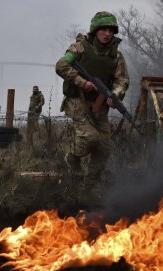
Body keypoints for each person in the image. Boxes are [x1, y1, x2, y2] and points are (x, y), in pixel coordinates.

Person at [55, 11, 129, 197]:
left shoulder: (116, 56)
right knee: (90, 137)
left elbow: (122, 81)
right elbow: (62, 65)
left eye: (111, 30)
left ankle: (88, 189)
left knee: (105, 147)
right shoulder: (80, 47)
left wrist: (115, 95)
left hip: (100, 105)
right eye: (103, 29)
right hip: (77, 101)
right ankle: (72, 157)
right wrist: (82, 82)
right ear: (95, 30)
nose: (107, 33)